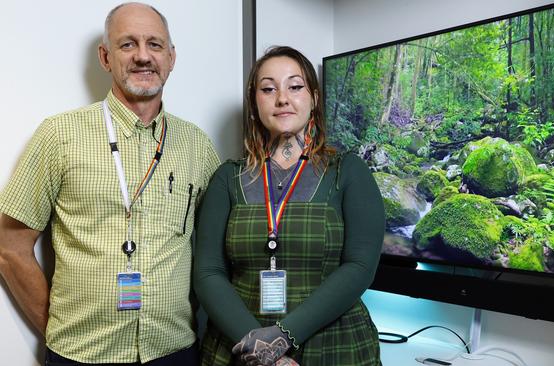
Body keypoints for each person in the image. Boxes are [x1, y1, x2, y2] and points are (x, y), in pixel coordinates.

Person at [0, 2, 219, 365]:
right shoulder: (59, 135)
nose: (143, 56)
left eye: (155, 44)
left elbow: (220, 249)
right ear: (105, 56)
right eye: (127, 44)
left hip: (175, 352)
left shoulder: (197, 145)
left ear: (171, 57)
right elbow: (10, 246)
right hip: (82, 355)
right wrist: (55, 330)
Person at [194, 46, 385, 366]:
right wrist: (262, 350)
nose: (282, 98)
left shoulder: (348, 172)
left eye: (295, 86)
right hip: (239, 347)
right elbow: (208, 273)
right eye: (268, 89)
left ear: (313, 98)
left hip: (334, 347)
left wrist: (283, 336)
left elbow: (360, 267)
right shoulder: (227, 178)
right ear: (254, 104)